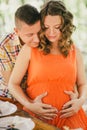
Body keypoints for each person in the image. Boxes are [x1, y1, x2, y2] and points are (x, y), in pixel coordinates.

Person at [8, 0, 87, 129]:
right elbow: (13, 84)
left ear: (65, 25)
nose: (51, 32)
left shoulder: (74, 51)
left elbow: (82, 83)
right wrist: (29, 105)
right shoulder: (30, 49)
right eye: (46, 27)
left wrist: (80, 101)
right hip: (37, 118)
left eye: (57, 27)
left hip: (71, 117)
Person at [0, 4, 40, 98]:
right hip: (9, 97)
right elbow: (11, 84)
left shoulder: (44, 40)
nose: (37, 40)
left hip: (34, 94)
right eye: (30, 35)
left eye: (39, 32)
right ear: (17, 31)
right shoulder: (4, 46)